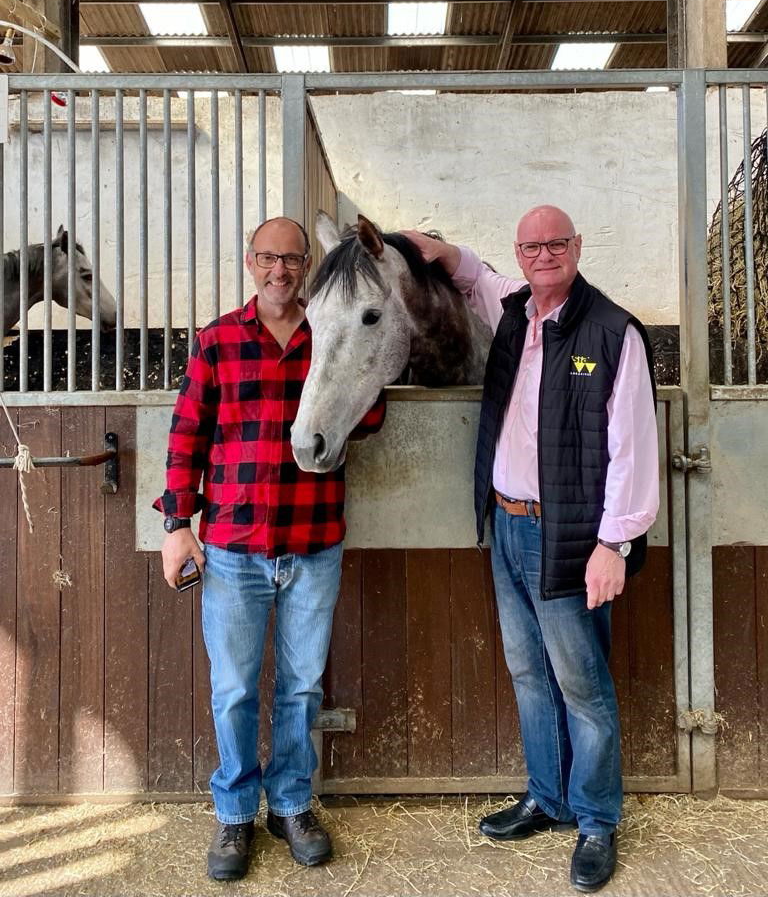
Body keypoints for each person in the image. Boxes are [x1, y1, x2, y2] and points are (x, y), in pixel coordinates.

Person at [403, 206, 658, 894]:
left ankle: (597, 819)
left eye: (556, 243)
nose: (543, 255)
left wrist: (615, 542)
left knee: (582, 683)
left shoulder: (613, 333)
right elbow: (467, 273)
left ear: (577, 246)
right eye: (531, 245)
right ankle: (547, 797)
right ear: (518, 253)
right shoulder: (513, 308)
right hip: (509, 525)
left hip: (572, 535)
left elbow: (633, 448)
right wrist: (424, 244)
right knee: (528, 672)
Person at [154, 217, 385, 883]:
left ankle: (290, 804)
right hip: (233, 544)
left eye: (291, 259)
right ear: (250, 262)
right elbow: (186, 436)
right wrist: (177, 525)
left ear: (307, 263)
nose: (280, 270)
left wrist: (365, 374)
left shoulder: (329, 331)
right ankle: (234, 811)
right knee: (233, 692)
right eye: (267, 258)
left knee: (302, 687)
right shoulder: (219, 339)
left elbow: (366, 419)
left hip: (314, 541)